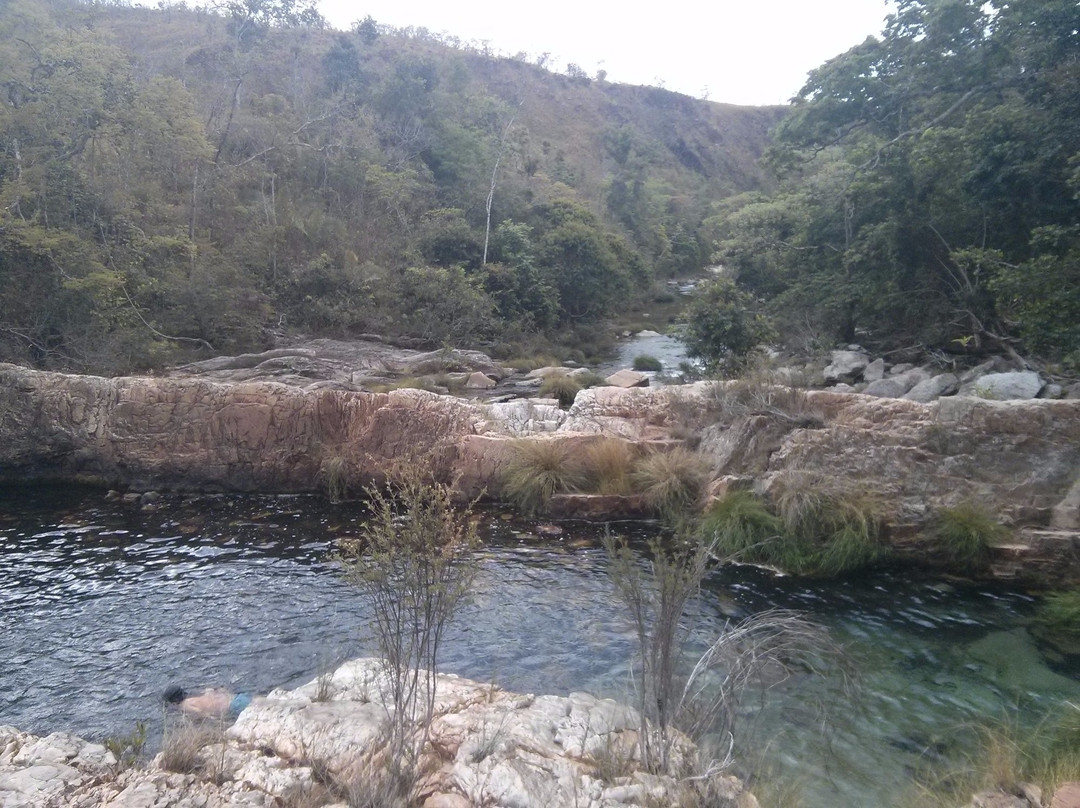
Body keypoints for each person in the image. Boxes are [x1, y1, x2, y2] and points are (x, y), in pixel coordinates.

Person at [163, 685, 253, 719]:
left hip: (234, 707)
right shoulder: (199, 693)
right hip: (238, 697)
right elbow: (218, 689)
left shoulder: (184, 705)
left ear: (174, 701)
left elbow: (204, 715)